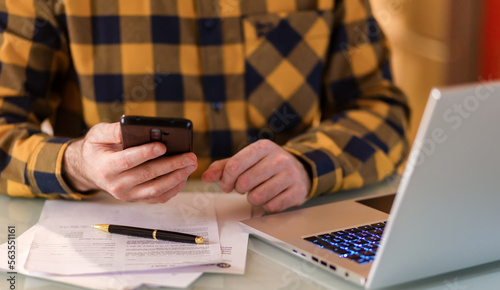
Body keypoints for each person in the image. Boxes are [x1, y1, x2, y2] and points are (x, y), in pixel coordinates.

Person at [0, 0, 409, 212]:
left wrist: (307, 165)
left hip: (285, 227)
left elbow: (380, 106)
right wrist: (77, 165)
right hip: (114, 241)